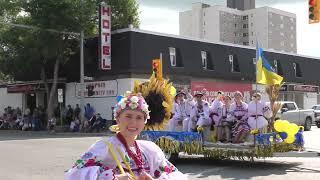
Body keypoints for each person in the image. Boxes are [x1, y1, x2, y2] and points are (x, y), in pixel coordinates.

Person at [65, 92, 187, 180]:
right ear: (117, 119)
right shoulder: (104, 147)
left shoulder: (150, 149)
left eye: (139, 117)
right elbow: (75, 174)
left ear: (144, 122)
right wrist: (112, 177)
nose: (133, 122)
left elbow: (174, 174)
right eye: (128, 116)